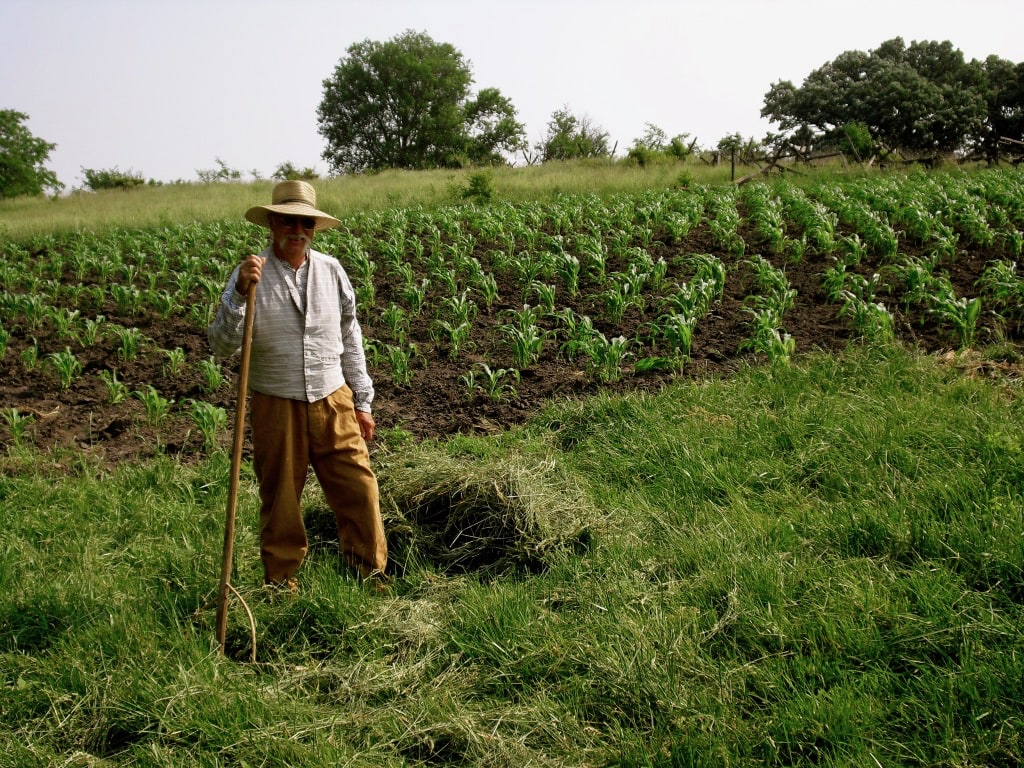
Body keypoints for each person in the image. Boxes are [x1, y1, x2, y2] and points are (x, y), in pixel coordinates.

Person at [208, 180, 387, 592]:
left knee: (359, 486)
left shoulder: (331, 270)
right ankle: (281, 581)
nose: (297, 230)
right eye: (289, 221)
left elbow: (350, 336)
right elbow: (220, 345)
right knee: (281, 498)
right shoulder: (250, 274)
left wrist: (362, 401)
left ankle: (369, 572)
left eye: (305, 222)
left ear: (314, 228)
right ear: (272, 222)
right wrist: (237, 295)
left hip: (333, 399)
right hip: (276, 401)